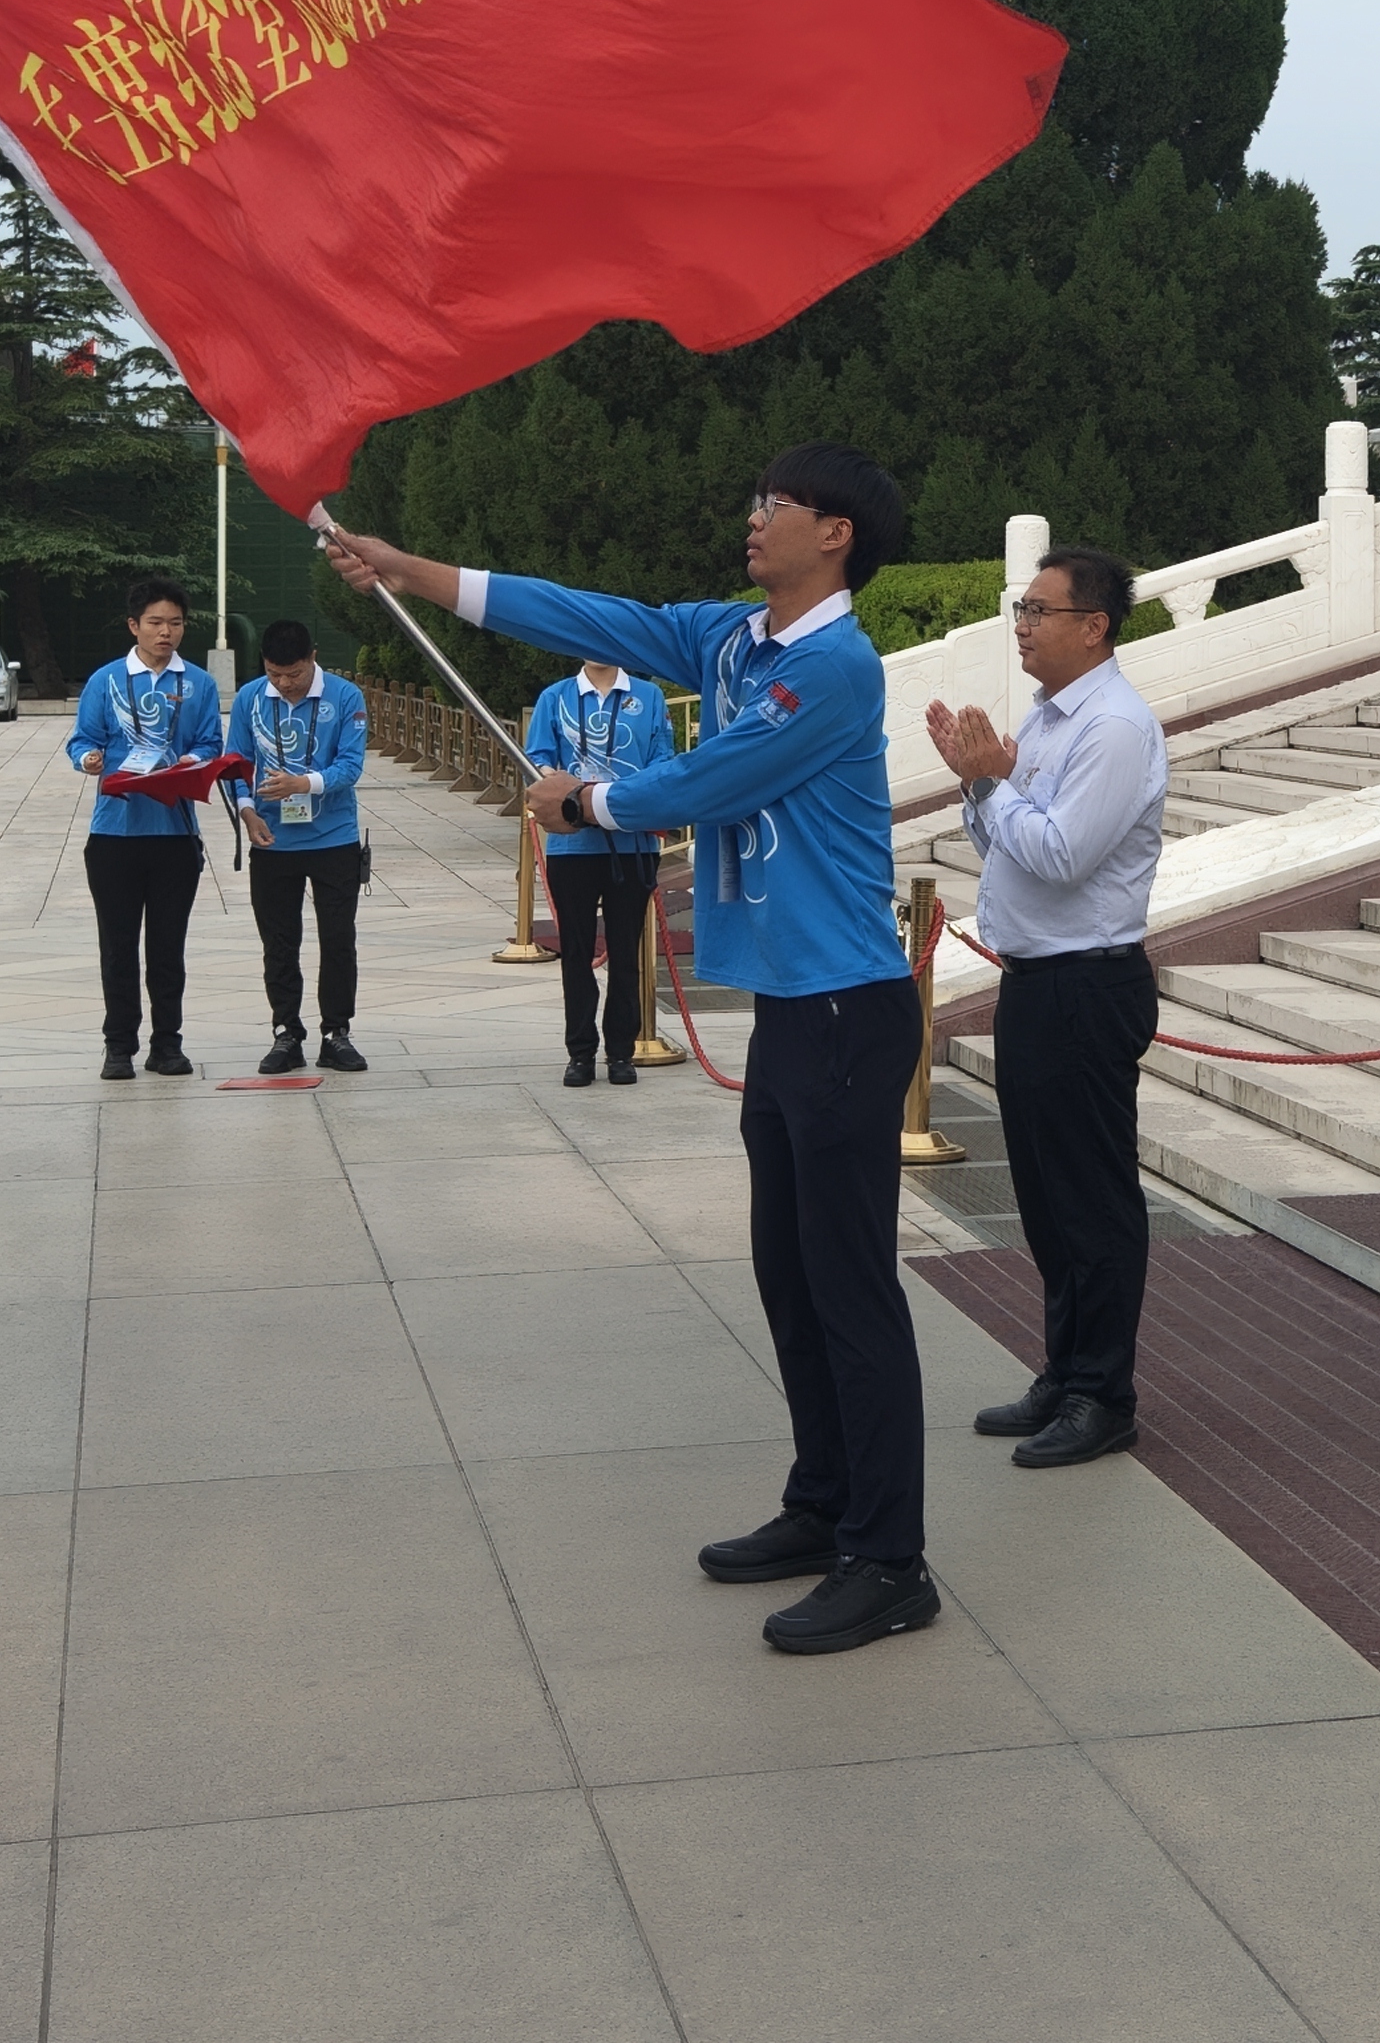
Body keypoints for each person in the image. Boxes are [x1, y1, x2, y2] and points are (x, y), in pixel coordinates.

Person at [330, 446, 940, 1657]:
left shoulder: (832, 668)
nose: (752, 518)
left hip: (846, 1012)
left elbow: (713, 780)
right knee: (791, 1278)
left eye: (775, 505)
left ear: (836, 534)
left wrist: (588, 804)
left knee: (851, 1290)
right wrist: (414, 570)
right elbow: (592, 617)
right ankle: (823, 1504)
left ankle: (890, 1559)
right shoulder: (736, 638)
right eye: (755, 498)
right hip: (791, 1011)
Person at [926, 543, 1170, 1471]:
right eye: (1020, 610)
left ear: (1094, 626)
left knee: (1090, 1199)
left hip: (1088, 983)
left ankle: (1103, 1394)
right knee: (1044, 1196)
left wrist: (993, 781)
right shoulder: (1048, 717)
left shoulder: (1113, 726)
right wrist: (979, 780)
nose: (1022, 626)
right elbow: (1004, 843)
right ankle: (1065, 1371)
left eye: (1039, 610)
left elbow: (1062, 854)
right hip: (1036, 981)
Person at [71, 578, 210, 1080]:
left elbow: (210, 743)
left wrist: (191, 761)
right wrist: (88, 758)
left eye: (175, 623)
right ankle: (118, 1045)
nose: (165, 632)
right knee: (118, 946)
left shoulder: (198, 683)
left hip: (174, 833)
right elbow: (82, 739)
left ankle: (167, 1044)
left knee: (168, 948)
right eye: (155, 623)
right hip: (115, 834)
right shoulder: (105, 680)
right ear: (134, 626)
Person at [229, 619, 373, 1077]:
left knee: (338, 938)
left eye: (294, 673)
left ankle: (337, 1033)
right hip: (272, 841)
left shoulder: (345, 697)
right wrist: (247, 813)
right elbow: (236, 763)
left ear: (313, 658)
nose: (285, 683)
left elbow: (350, 765)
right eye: (275, 674)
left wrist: (303, 783)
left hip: (334, 838)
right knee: (279, 941)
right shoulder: (250, 698)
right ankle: (286, 1032)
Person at [525, 647, 670, 1088]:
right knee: (576, 952)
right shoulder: (556, 697)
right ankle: (580, 1052)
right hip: (572, 845)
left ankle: (621, 1051)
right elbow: (536, 757)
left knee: (626, 952)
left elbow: (664, 758)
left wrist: (624, 796)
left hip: (632, 843)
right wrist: (566, 789)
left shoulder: (648, 696)